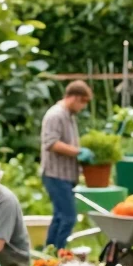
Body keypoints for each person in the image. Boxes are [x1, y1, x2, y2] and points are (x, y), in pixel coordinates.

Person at [40, 80, 94, 251]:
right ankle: (60, 251)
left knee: (59, 216)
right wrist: (78, 152)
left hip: (65, 175)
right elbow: (51, 143)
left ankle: (50, 252)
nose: (83, 107)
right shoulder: (56, 115)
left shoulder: (68, 116)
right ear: (74, 98)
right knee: (69, 217)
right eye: (83, 102)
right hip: (55, 174)